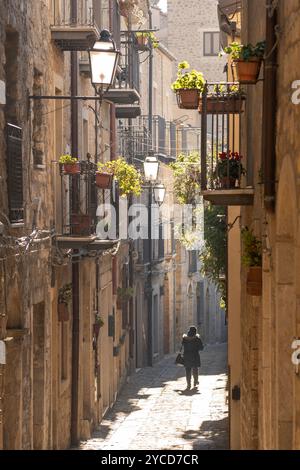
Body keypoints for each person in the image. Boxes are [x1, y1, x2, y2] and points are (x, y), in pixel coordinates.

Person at [182, 325, 203, 390]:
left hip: (187, 356)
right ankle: (195, 381)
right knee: (195, 369)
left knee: (188, 370)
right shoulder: (197, 339)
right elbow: (201, 348)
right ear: (195, 332)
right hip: (195, 356)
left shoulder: (185, 338)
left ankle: (188, 384)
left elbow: (182, 345)